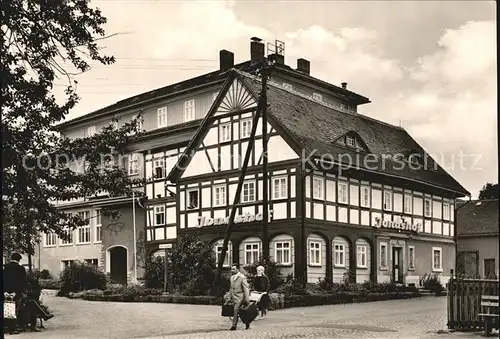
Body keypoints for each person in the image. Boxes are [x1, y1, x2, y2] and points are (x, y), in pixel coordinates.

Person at [2, 253, 27, 335]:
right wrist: (15, 292)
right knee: (14, 310)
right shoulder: (21, 269)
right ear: (19, 260)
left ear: (11, 258)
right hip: (16, 293)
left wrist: (4, 292)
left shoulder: (5, 268)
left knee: (5, 309)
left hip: (5, 293)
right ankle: (12, 329)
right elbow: (22, 283)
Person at [229, 264, 250, 331]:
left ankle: (234, 325)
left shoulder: (242, 277)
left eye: (233, 269)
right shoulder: (232, 277)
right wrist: (229, 297)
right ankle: (247, 322)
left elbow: (246, 288)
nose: (232, 270)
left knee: (236, 309)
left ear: (238, 269)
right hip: (234, 297)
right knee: (241, 312)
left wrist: (247, 299)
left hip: (240, 297)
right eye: (231, 269)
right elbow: (231, 288)